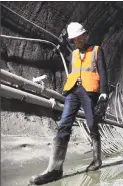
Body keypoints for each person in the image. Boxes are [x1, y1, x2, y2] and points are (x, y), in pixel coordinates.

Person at [30, 22, 108, 185]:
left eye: (79, 37)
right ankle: (55, 169)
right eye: (74, 39)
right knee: (64, 124)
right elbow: (74, 71)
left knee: (92, 123)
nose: (76, 41)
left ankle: (97, 159)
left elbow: (103, 72)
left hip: (89, 91)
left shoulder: (96, 50)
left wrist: (104, 94)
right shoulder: (73, 54)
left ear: (85, 35)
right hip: (73, 91)